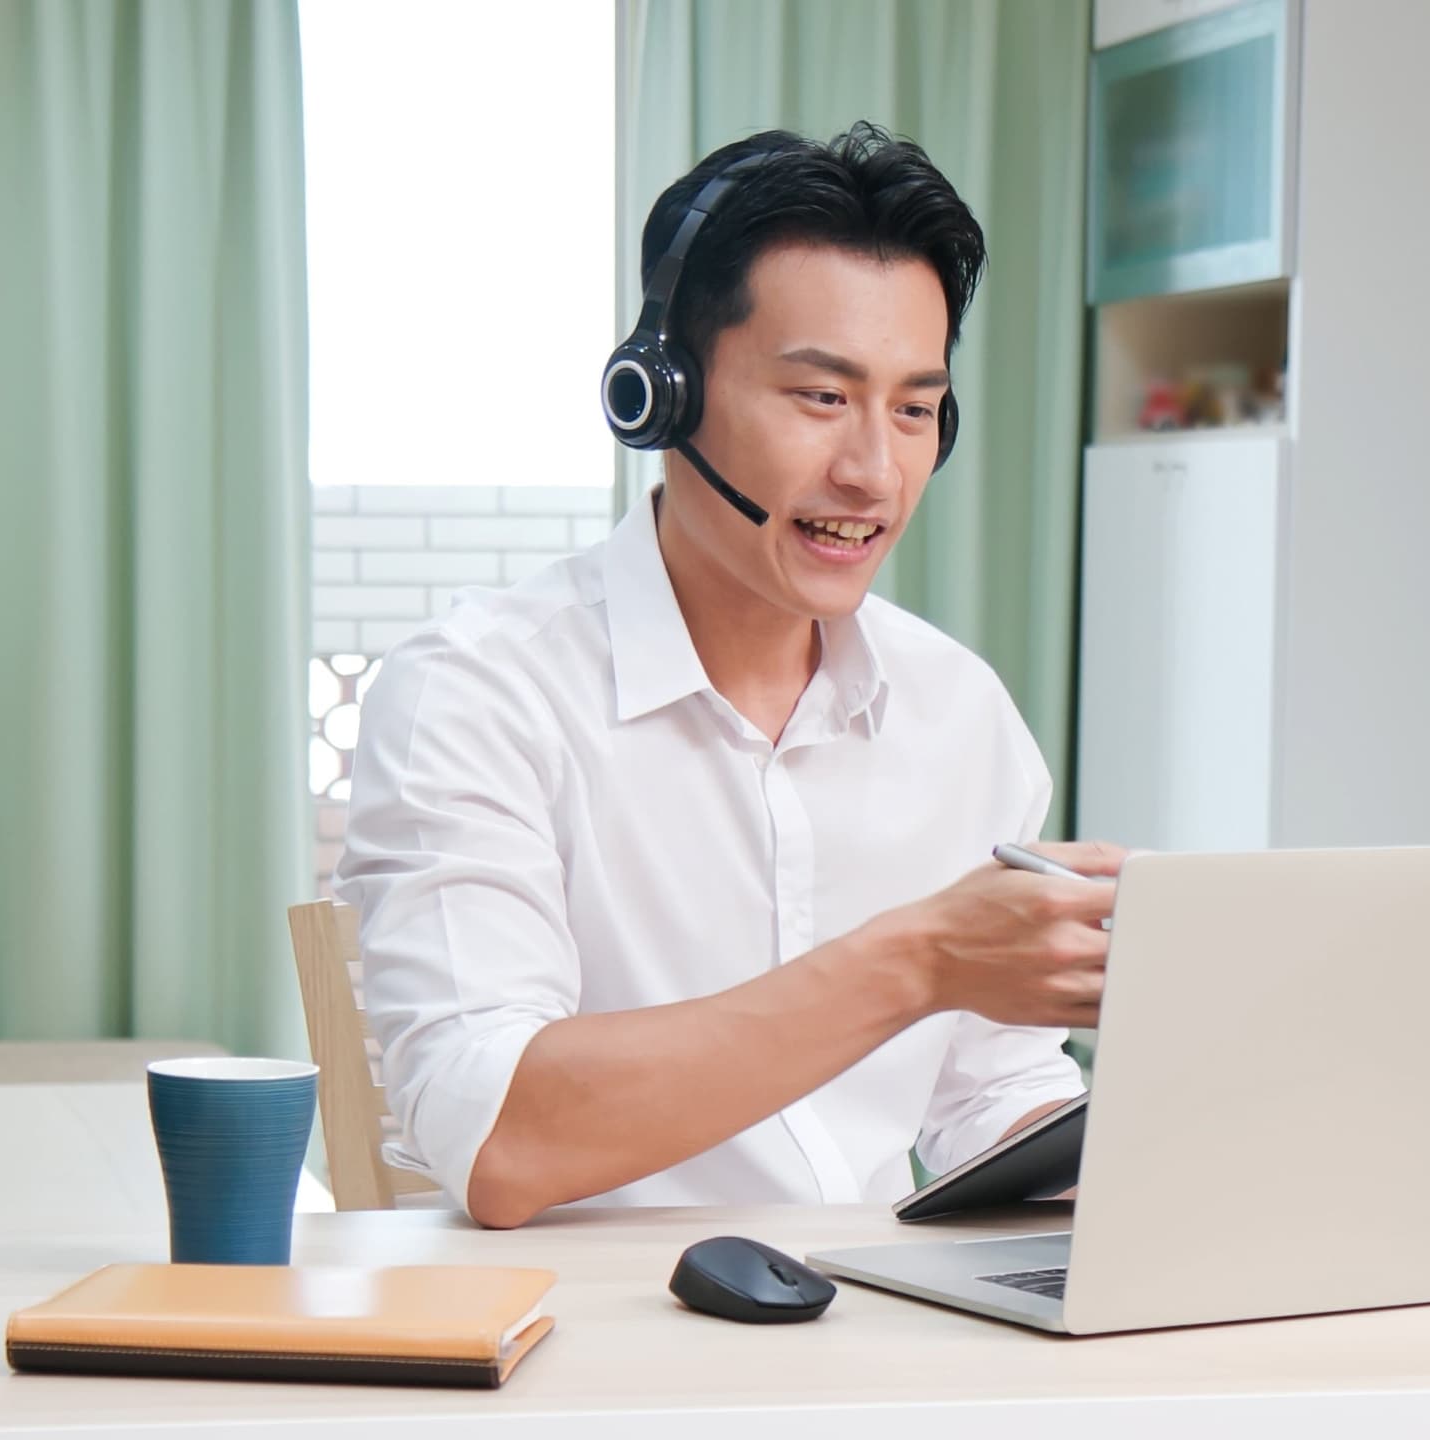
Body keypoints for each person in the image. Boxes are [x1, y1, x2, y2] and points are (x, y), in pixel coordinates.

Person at [337, 121, 1121, 1230]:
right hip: (586, 1320)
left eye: (913, 409)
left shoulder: (957, 710)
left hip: (876, 1313)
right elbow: (499, 1138)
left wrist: (1138, 1175)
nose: (874, 472)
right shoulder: (478, 693)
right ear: (659, 395)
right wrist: (918, 960)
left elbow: (991, 1090)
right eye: (821, 398)